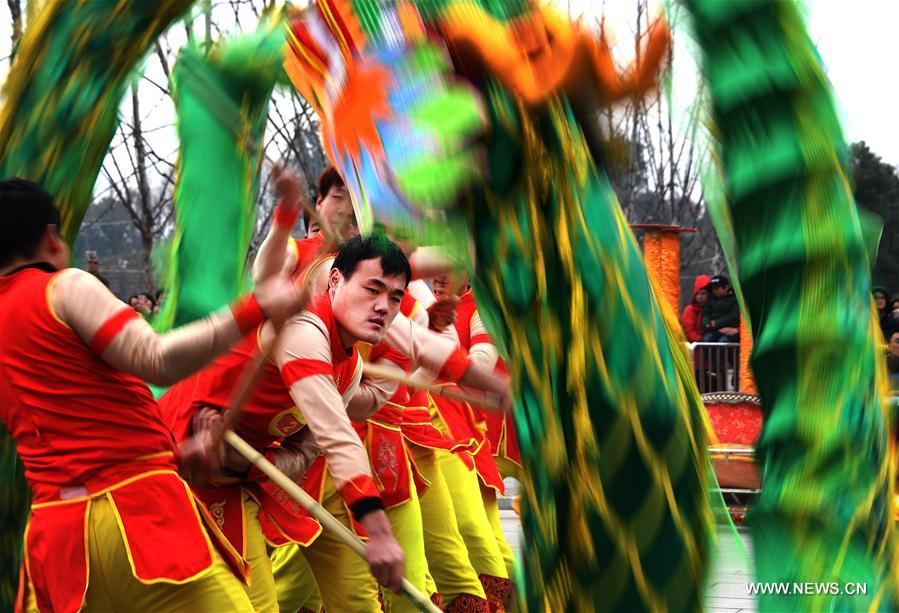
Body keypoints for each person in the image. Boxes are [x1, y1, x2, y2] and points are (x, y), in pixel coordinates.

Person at [0, 178, 305, 612]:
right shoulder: (63, 287)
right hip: (140, 518)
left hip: (58, 544)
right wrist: (255, 308)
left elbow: (67, 428)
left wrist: (170, 453)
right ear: (51, 237)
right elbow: (155, 357)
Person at [701, 274, 740, 342]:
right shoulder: (710, 300)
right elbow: (705, 313)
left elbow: (734, 316)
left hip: (729, 330)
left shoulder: (734, 299)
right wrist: (706, 322)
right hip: (713, 331)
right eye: (713, 289)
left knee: (723, 342)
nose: (714, 291)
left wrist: (716, 322)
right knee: (706, 340)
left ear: (726, 287)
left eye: (717, 288)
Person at [681, 274, 711, 342]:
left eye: (703, 294)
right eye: (697, 294)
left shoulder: (713, 308)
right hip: (696, 348)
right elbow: (688, 330)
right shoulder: (690, 310)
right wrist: (702, 341)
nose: (699, 297)